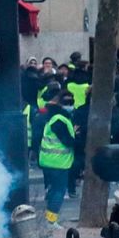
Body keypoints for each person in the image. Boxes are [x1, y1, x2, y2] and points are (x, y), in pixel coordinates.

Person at [35, 92, 78, 224]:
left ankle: (48, 218)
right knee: (59, 191)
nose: (70, 105)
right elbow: (67, 141)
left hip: (48, 160)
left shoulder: (52, 117)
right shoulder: (59, 119)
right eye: (68, 103)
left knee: (54, 190)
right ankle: (51, 221)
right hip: (58, 162)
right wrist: (76, 137)